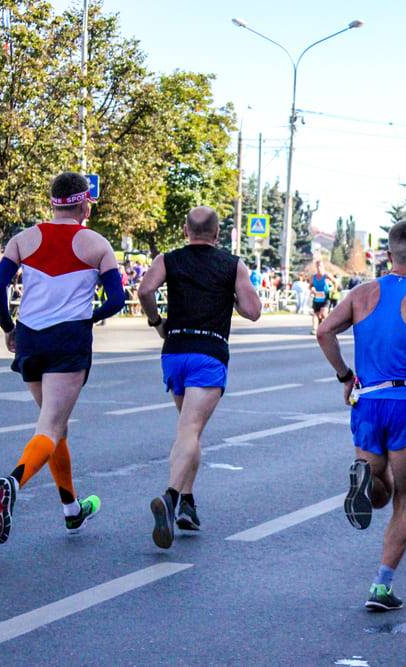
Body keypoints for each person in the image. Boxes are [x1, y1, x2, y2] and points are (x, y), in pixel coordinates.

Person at [316, 219, 406, 612]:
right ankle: (381, 586)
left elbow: (325, 332)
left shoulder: (361, 293)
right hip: (405, 405)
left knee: (377, 486)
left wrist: (345, 375)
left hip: (366, 402)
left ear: (388, 255)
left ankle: (364, 477)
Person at [0, 172, 125, 544]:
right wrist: (89, 318)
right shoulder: (96, 244)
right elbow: (116, 301)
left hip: (29, 338)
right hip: (68, 340)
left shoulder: (23, 239)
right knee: (49, 426)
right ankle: (13, 483)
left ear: (53, 201)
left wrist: (7, 326)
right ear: (84, 203)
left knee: (55, 425)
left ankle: (72, 510)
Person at [138, 206, 262, 549]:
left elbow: (145, 290)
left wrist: (155, 322)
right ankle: (171, 496)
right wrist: (233, 297)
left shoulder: (169, 258)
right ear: (218, 233)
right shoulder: (232, 264)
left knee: (188, 430)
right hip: (208, 353)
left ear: (185, 230)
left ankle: (187, 505)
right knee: (190, 430)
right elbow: (253, 311)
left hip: (174, 351)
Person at [310, 259, 330, 335]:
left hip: (326, 297)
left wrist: (332, 288)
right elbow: (310, 286)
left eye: (320, 266)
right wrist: (312, 290)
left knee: (324, 313)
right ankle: (314, 329)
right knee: (315, 314)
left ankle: (327, 328)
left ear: (323, 267)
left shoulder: (327, 275)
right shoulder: (313, 277)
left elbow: (335, 283)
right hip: (317, 297)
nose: (319, 268)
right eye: (317, 266)